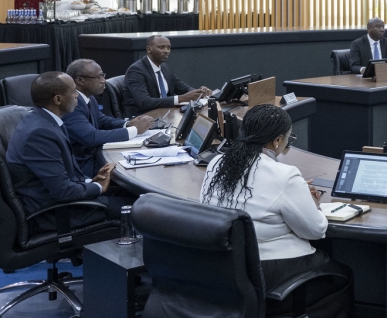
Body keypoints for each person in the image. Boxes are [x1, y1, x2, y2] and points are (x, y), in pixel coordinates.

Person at [201, 104, 353, 317]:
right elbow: (315, 231)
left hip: (224, 267)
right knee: (342, 275)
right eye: (288, 140)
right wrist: (313, 205)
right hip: (269, 270)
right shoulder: (285, 174)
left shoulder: (217, 162)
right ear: (277, 140)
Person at [6, 72, 128, 231]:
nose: (77, 95)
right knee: (141, 205)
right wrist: (99, 187)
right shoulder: (40, 134)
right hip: (55, 212)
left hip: (63, 200)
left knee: (126, 190)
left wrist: (91, 181)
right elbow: (63, 192)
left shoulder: (45, 121)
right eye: (73, 91)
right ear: (58, 99)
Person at [63, 58, 155, 177]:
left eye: (103, 76)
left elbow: (101, 120)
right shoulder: (72, 104)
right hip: (83, 167)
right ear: (80, 80)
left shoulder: (88, 97)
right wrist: (135, 130)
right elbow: (91, 137)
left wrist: (128, 123)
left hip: (94, 157)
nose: (104, 81)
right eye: (99, 77)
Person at [122, 35, 211, 117]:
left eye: (168, 48)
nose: (166, 51)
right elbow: (145, 102)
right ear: (149, 49)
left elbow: (183, 88)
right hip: (142, 118)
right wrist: (180, 98)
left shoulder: (165, 68)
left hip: (165, 115)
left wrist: (199, 93)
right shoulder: (136, 70)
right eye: (161, 47)